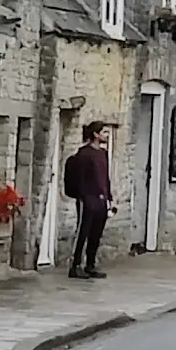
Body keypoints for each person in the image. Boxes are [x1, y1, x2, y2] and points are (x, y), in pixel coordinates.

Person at [69, 120, 113, 279]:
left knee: (96, 233)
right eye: (104, 132)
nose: (107, 135)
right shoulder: (84, 154)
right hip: (87, 199)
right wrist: (83, 196)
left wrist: (109, 197)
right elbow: (79, 178)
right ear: (95, 134)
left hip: (101, 199)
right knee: (83, 232)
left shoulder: (103, 153)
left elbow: (105, 177)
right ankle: (75, 265)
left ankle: (90, 265)